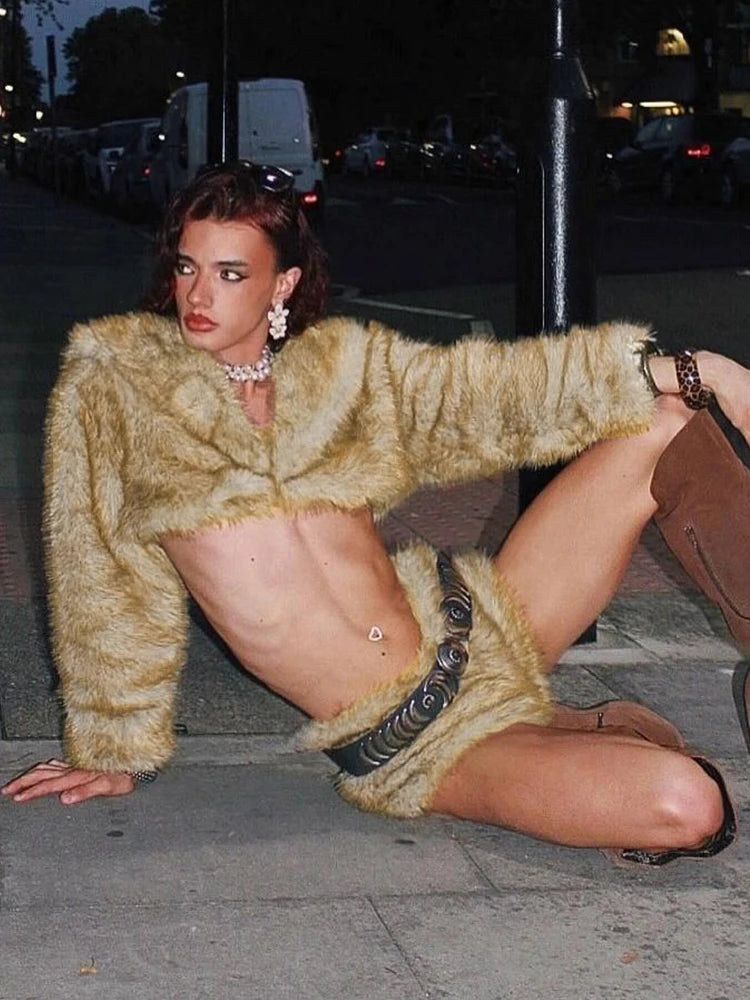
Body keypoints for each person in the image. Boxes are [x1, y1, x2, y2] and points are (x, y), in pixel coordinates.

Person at [3, 161, 750, 867]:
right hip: (417, 740)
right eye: (186, 267)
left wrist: (702, 370)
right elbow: (98, 572)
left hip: (484, 625)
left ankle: (569, 727)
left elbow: (496, 394)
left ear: (282, 284)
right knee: (690, 805)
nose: (199, 295)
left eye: (230, 273)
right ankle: (553, 739)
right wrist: (112, 748)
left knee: (668, 420)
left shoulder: (333, 378)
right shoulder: (123, 401)